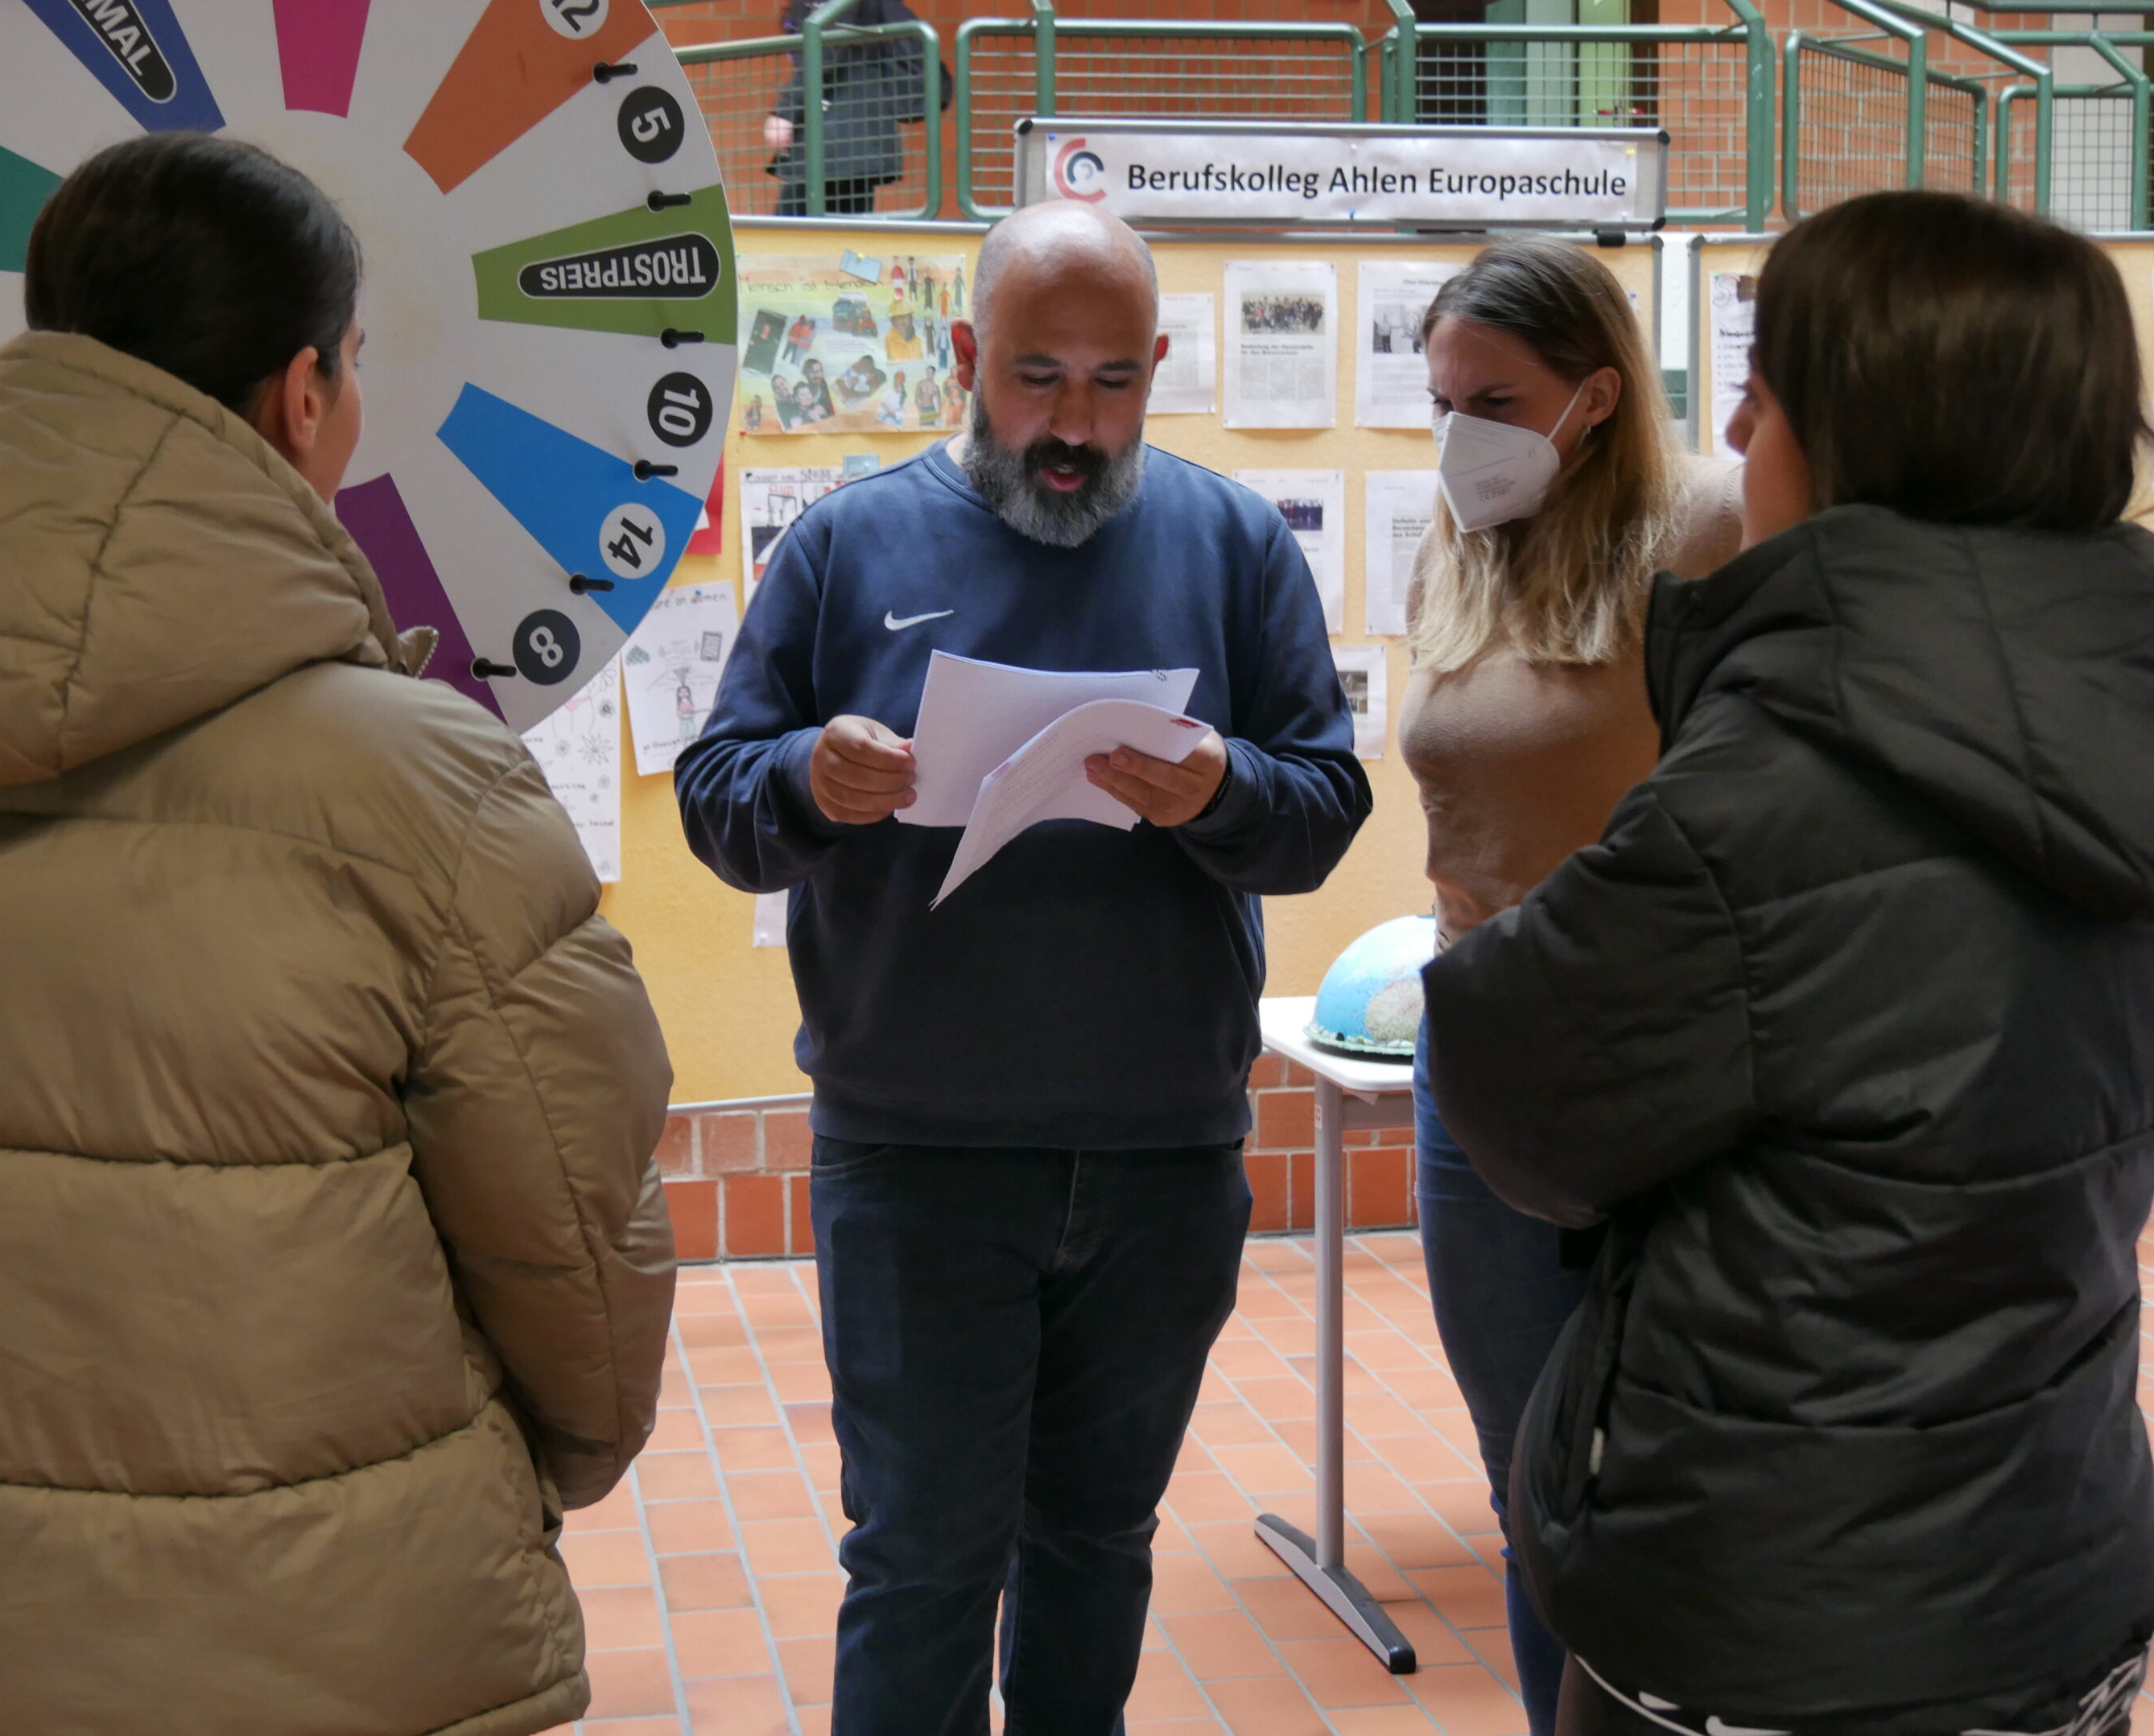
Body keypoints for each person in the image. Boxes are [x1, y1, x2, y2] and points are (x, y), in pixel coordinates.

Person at [0, 132, 676, 1736]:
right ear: (304, 395)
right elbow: (575, 1243)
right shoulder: (422, 787)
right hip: (345, 1639)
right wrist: (542, 1455)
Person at [1423, 189, 2154, 1735]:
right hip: (2053, 1562)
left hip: (1777, 1607)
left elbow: (1520, 1099)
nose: (1740, 429)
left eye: (1765, 394)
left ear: (1867, 433)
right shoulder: (2123, 723)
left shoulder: (1768, 788)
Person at [675, 200, 1370, 1734]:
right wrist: (806, 775)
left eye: (1113, 383)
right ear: (965, 354)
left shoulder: (1235, 544)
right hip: (918, 1159)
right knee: (921, 1562)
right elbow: (718, 798)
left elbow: (1325, 808)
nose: (1074, 426)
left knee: (1097, 1548)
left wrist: (1224, 789)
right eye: (1037, 378)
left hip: (1161, 1159)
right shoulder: (847, 543)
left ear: (1159, 368)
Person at [1393, 235, 1740, 1736]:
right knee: (1526, 1473)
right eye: (1441, 400)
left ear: (1596, 396)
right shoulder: (1454, 544)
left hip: (1656, 1061)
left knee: (1669, 1476)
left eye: (1494, 401)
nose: (1457, 435)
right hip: (1478, 1055)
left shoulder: (1703, 529)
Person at [763, 0, 945, 217]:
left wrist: (786, 111)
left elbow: (825, 51)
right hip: (853, 134)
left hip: (838, 134)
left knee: (796, 222)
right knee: (843, 222)